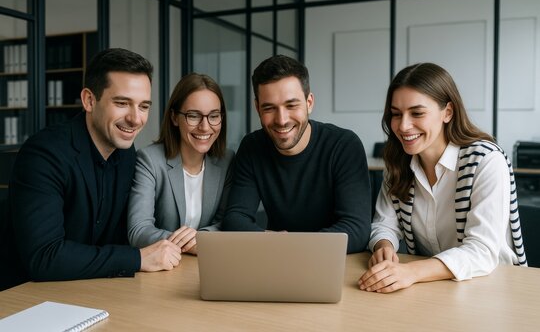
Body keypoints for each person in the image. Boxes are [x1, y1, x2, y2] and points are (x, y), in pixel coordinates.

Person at [1, 48, 182, 291]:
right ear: (89, 100)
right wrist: (138, 258)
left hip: (89, 290)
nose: (135, 119)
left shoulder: (126, 152)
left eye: (144, 106)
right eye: (122, 103)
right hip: (25, 298)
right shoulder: (44, 154)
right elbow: (45, 257)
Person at [358, 62, 527, 294]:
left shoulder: (486, 161)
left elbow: (481, 251)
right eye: (396, 114)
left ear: (447, 112)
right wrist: (383, 246)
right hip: (434, 287)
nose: (404, 126)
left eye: (417, 113)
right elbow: (384, 224)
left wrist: (412, 272)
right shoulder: (399, 162)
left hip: (492, 287)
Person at [221, 55, 371, 253]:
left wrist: (290, 246)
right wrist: (274, 242)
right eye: (269, 108)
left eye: (291, 105)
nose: (281, 120)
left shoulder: (344, 145)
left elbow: (357, 229)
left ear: (309, 102)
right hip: (277, 260)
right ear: (257, 108)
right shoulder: (252, 146)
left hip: (333, 262)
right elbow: (234, 219)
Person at [127, 73, 234, 254]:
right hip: (160, 269)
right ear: (175, 118)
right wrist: (190, 243)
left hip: (207, 265)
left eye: (214, 116)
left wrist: (202, 238)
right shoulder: (149, 160)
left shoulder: (227, 161)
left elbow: (227, 222)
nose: (205, 127)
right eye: (193, 116)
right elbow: (138, 230)